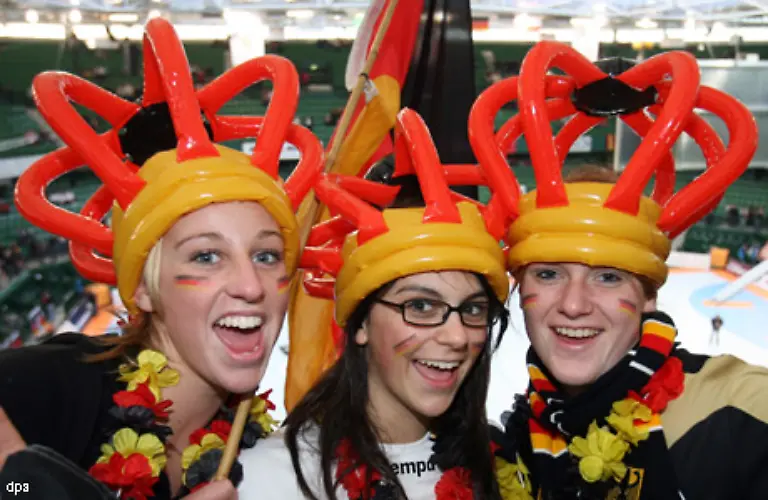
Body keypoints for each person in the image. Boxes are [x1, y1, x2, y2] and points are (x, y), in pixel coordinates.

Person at [0, 18, 322, 500]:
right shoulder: (60, 386)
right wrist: (20, 482)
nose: (251, 285)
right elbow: (14, 481)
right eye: (207, 255)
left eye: (267, 254)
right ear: (145, 289)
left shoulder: (249, 456)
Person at [473, 41, 768, 499]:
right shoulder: (517, 444)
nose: (573, 305)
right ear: (519, 286)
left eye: (608, 276)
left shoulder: (736, 415)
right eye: (548, 274)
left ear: (649, 296)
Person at [239, 108, 514, 499]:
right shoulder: (266, 480)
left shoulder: (502, 467)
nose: (457, 336)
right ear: (362, 322)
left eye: (472, 309)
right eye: (420, 306)